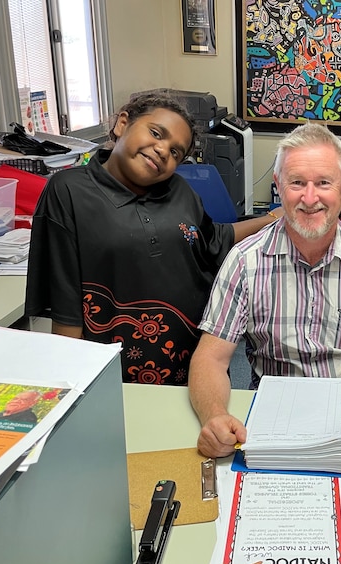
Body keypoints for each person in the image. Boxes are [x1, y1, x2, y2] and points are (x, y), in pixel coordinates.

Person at [188, 122, 341, 458]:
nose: (310, 198)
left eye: (323, 183)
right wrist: (215, 416)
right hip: (273, 413)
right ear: (278, 185)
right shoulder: (244, 261)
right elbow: (210, 358)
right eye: (296, 183)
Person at [25, 92, 282, 385]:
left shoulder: (179, 190)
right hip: (117, 373)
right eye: (156, 133)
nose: (162, 150)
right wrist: (75, 387)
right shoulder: (69, 190)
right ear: (123, 124)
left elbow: (214, 239)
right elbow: (65, 302)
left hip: (191, 365)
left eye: (175, 152)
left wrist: (274, 218)